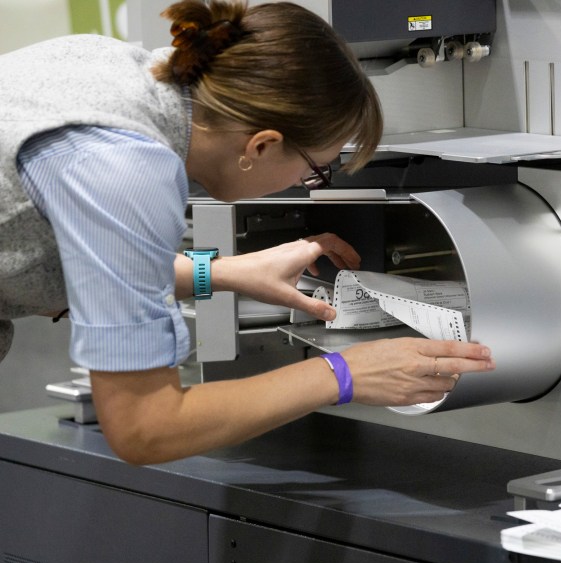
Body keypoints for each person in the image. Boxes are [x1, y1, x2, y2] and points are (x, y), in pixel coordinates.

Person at [0, 0, 495, 465]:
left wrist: (222, 273)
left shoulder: (111, 70)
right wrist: (345, 374)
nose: (303, 185)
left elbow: (93, 252)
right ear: (261, 145)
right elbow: (145, 427)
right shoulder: (128, 170)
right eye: (314, 171)